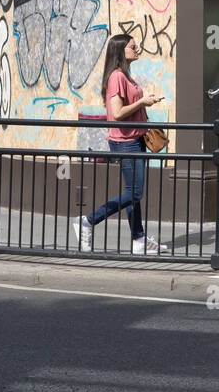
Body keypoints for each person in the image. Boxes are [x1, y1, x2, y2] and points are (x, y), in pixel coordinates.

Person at [72, 34, 168, 255]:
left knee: (133, 192)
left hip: (135, 139)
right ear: (120, 51)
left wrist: (144, 104)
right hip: (125, 142)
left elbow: (128, 107)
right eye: (133, 46)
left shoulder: (126, 75)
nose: (138, 49)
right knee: (134, 192)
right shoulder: (117, 76)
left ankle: (139, 239)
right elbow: (116, 113)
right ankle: (87, 221)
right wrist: (143, 102)